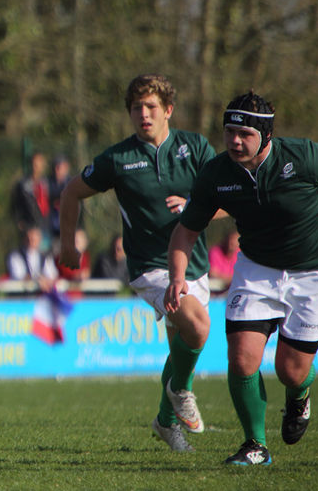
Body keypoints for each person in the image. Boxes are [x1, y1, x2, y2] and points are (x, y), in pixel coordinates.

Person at [59, 73, 218, 453]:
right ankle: (180, 391)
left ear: (168, 110)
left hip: (195, 262)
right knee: (197, 326)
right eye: (136, 108)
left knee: (182, 342)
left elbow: (230, 194)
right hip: (149, 266)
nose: (143, 114)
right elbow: (71, 192)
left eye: (150, 107)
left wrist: (197, 208)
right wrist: (67, 245)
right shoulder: (119, 158)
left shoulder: (195, 147)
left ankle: (165, 421)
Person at [167, 91, 318, 466]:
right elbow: (186, 231)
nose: (235, 141)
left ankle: (298, 396)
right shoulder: (217, 174)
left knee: (290, 370)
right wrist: (176, 276)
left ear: (266, 136)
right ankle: (255, 445)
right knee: (241, 358)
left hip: (311, 274)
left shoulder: (304, 157)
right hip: (256, 270)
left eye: (245, 134)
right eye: (230, 132)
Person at [10, 151, 51, 242]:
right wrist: (19, 221)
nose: (35, 166)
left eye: (39, 163)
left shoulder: (47, 183)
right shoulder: (23, 184)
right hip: (28, 226)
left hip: (45, 226)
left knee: (44, 253)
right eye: (34, 163)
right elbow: (15, 204)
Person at [5, 225, 58, 291]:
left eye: (34, 239)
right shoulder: (15, 256)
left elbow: (52, 275)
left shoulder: (46, 257)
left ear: (39, 240)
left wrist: (44, 281)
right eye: (28, 238)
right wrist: (38, 280)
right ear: (24, 239)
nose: (31, 242)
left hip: (41, 295)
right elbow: (18, 276)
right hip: (20, 295)